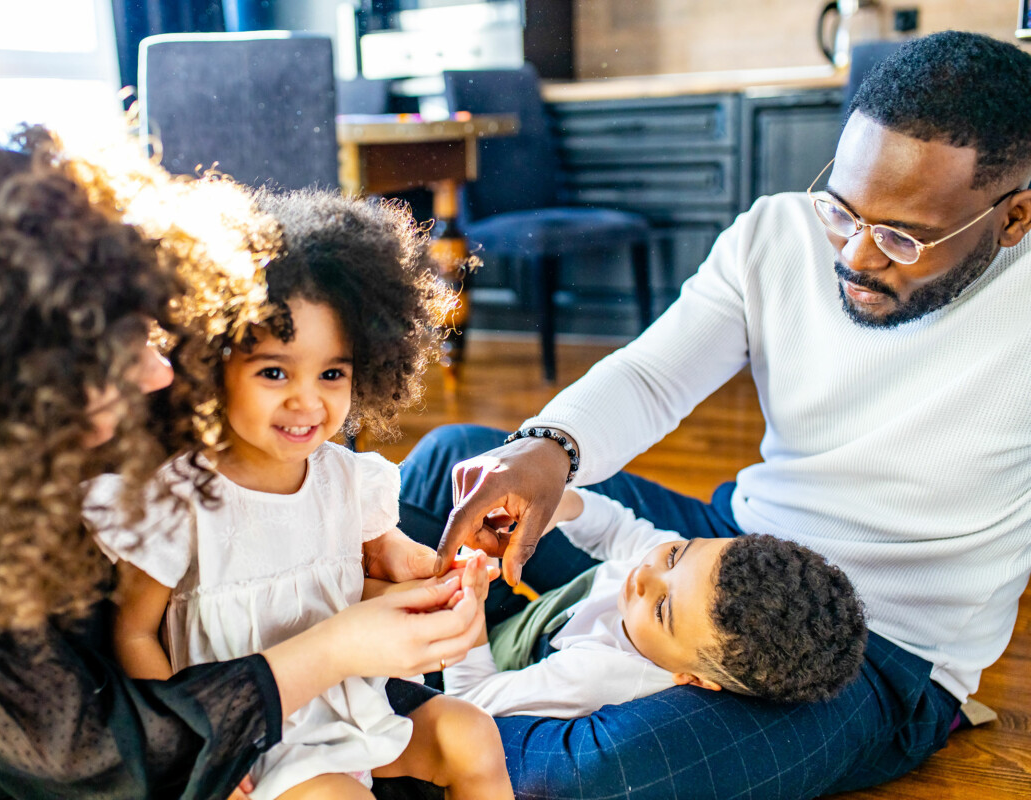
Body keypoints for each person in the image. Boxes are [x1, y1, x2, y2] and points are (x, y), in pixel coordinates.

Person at [399, 31, 1031, 799]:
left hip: (878, 650)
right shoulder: (777, 233)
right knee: (456, 465)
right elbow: (655, 376)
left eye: (903, 237)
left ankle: (393, 711)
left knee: (607, 773)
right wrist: (548, 447)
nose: (857, 257)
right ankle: (423, 700)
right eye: (842, 211)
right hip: (726, 548)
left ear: (1014, 216)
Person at [0, 122, 485, 800]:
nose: (156, 372)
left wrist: (370, 568)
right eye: (113, 355)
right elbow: (90, 756)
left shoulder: (140, 398)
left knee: (459, 458)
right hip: (102, 760)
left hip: (251, 680)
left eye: (144, 331)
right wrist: (334, 648)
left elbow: (276, 518)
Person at [85, 188, 513, 800]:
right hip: (246, 734)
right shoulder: (176, 499)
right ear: (213, 363)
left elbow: (391, 564)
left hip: (344, 703)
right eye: (274, 372)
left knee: (470, 734)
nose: (307, 401)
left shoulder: (345, 476)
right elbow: (132, 634)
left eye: (331, 373)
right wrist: (192, 750)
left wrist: (445, 575)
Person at [442, 488, 867, 716]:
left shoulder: (599, 676)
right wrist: (560, 506)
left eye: (662, 609)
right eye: (673, 555)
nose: (643, 576)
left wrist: (467, 611)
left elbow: (474, 700)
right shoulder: (675, 574)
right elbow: (616, 529)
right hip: (515, 619)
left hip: (468, 662)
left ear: (694, 679)